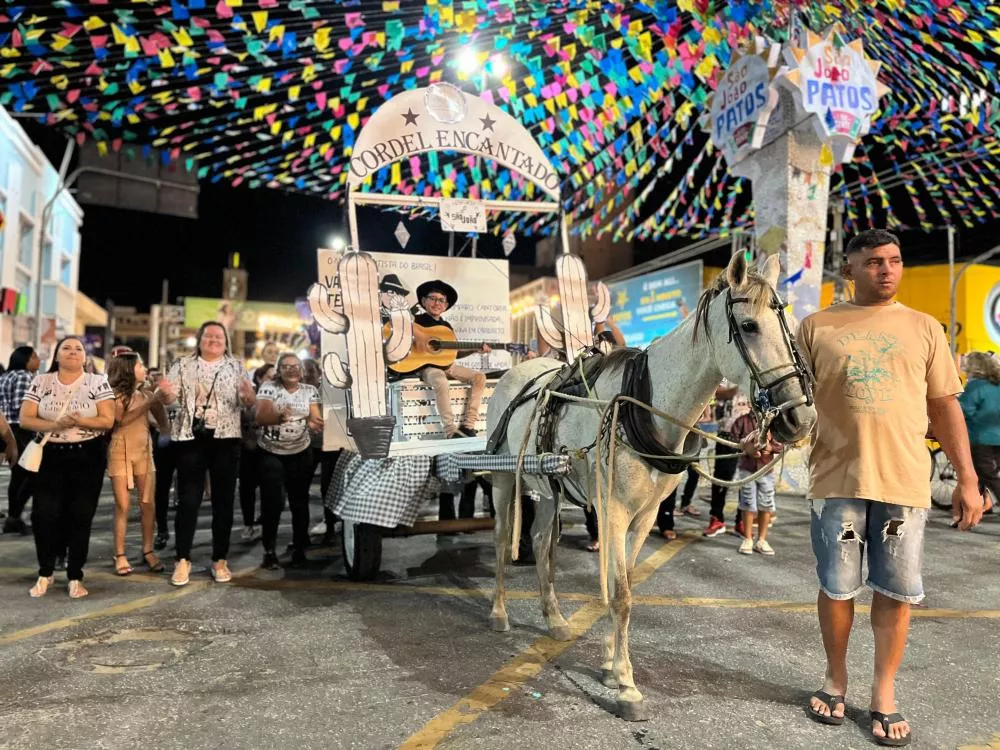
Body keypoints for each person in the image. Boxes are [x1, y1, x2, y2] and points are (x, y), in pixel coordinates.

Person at [797, 229, 984, 746]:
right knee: (837, 588)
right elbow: (791, 400)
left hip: (904, 481)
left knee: (896, 592)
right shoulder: (816, 326)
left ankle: (884, 692)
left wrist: (968, 480)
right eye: (875, 261)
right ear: (850, 268)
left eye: (895, 261)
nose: (887, 270)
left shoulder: (924, 328)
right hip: (836, 479)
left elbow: (946, 407)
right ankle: (835, 679)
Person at [162, 321, 257, 587]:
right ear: (199, 339)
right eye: (209, 335)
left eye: (219, 336)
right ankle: (182, 559)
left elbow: (248, 403)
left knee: (224, 501)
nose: (214, 339)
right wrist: (166, 394)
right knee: (188, 499)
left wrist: (250, 398)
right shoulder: (182, 364)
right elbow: (169, 398)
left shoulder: (236, 365)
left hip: (226, 438)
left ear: (226, 341)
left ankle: (220, 558)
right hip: (191, 437)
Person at [20, 336, 115, 598]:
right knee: (44, 515)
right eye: (67, 348)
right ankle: (45, 572)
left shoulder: (97, 382)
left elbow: (108, 420)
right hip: (50, 455)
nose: (73, 352)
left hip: (88, 455)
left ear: (85, 357)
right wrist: (54, 426)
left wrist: (83, 420)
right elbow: (25, 418)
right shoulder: (42, 381)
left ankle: (75, 575)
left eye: (78, 349)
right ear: (57, 355)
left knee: (81, 516)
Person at [106, 351, 172, 575]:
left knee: (147, 504)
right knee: (123, 505)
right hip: (119, 450)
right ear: (127, 369)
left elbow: (163, 423)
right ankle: (120, 553)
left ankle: (148, 549)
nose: (144, 369)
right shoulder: (114, 394)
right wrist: (152, 400)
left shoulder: (145, 394)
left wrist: (161, 398)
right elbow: (120, 420)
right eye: (140, 365)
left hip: (144, 451)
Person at [254, 353, 323, 569]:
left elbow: (315, 418)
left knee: (299, 502)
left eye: (296, 366)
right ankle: (269, 550)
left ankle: (300, 547)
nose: (292, 370)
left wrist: (314, 423)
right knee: (272, 502)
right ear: (278, 370)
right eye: (286, 366)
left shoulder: (309, 391)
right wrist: (278, 417)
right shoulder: (268, 388)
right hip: (271, 452)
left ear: (301, 370)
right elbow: (261, 417)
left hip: (300, 451)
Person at [414, 280, 488, 438]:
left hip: (447, 365)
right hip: (426, 367)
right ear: (423, 301)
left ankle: (468, 425)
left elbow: (453, 353)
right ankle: (450, 431)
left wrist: (475, 349)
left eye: (441, 300)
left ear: (446, 306)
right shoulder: (415, 322)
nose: (437, 303)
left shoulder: (446, 326)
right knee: (440, 380)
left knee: (479, 377)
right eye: (433, 298)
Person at [1, 345, 41, 534]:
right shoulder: (24, 377)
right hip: (21, 430)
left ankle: (13, 517)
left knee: (17, 477)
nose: (38, 360)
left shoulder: (5, 376)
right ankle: (14, 517)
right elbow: (22, 406)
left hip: (7, 430)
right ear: (26, 360)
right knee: (32, 475)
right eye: (35, 357)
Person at [731, 409, 782, 556]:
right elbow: (733, 440)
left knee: (766, 503)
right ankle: (747, 538)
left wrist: (771, 447)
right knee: (747, 503)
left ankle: (762, 540)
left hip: (766, 471)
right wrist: (745, 446)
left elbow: (782, 443)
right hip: (747, 470)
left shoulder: (774, 423)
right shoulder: (742, 421)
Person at [958, 351, 1000, 517]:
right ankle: (982, 507)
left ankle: (967, 511)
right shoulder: (996, 384)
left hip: (981, 438)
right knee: (986, 475)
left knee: (984, 475)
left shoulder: (975, 386)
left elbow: (963, 410)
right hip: (997, 438)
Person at [703, 385, 746, 537]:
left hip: (749, 435)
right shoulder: (727, 371)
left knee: (746, 482)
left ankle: (742, 521)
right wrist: (740, 383)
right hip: (726, 435)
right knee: (720, 480)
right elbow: (717, 392)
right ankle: (716, 519)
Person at [239, 363, 274, 543]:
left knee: (271, 491)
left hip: (271, 450)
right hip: (249, 449)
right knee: (247, 489)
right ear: (259, 379)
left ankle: (266, 524)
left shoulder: (278, 396)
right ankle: (248, 524)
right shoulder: (248, 396)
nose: (272, 380)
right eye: (269, 377)